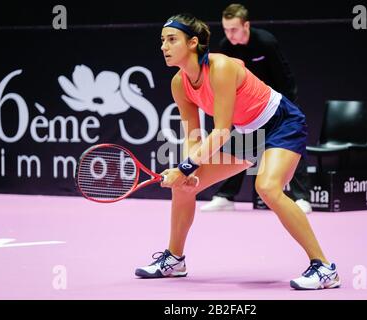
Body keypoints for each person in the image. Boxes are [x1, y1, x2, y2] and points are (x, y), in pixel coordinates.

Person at [134, 13, 340, 290]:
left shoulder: (220, 67)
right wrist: (189, 170)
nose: (164, 46)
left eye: (172, 40)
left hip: (281, 123)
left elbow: (219, 131)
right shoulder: (178, 84)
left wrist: (184, 167)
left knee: (267, 188)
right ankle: (174, 259)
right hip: (247, 134)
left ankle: (324, 268)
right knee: (183, 188)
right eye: (162, 41)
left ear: (193, 43)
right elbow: (193, 134)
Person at [200, 3, 312, 214]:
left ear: (246, 25)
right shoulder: (226, 46)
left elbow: (284, 79)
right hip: (248, 111)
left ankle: (302, 198)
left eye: (234, 29)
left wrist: (285, 111)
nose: (229, 34)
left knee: (291, 146)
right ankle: (225, 197)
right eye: (225, 29)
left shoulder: (266, 43)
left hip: (278, 107)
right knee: (237, 148)